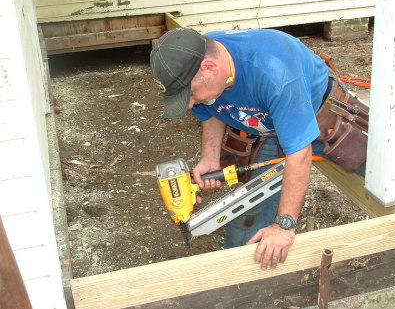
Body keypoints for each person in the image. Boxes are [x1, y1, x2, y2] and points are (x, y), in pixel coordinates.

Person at [150, 27, 366, 270]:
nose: (189, 105)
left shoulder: (275, 73)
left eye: (190, 94)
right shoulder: (198, 55)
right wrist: (210, 157)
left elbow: (300, 153)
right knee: (248, 217)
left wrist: (284, 226)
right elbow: (211, 110)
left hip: (321, 116)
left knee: (380, 176)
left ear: (210, 68)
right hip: (268, 127)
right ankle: (239, 279)